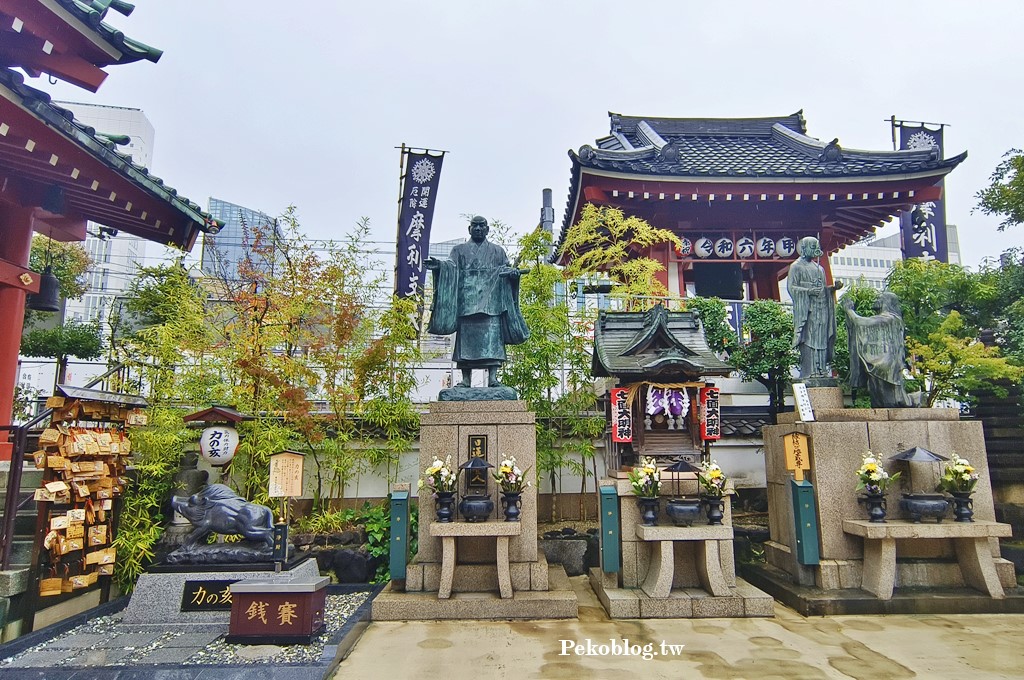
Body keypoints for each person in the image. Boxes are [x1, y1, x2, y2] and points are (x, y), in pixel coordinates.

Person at [425, 216, 529, 388]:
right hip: (467, 302)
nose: (479, 229)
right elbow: (450, 266)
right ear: (469, 229)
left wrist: (513, 276)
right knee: (466, 341)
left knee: (493, 340)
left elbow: (508, 270)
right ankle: (466, 379)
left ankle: (493, 378)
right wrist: (439, 266)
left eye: (482, 226)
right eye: (475, 226)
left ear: (487, 229)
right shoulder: (459, 250)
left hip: (492, 303)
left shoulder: (498, 251)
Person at [841, 291, 913, 408]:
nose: (875, 301)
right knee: (878, 399)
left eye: (879, 299)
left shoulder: (890, 318)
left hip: (886, 365)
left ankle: (909, 401)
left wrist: (849, 310)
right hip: (880, 364)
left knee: (889, 400)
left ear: (887, 302)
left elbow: (861, 322)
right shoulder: (889, 319)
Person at [787, 236, 840, 379]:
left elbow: (823, 289)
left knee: (822, 340)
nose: (815, 251)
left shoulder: (820, 269)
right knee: (809, 339)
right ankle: (810, 371)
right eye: (812, 247)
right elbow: (791, 288)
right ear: (803, 248)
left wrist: (832, 289)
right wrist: (808, 291)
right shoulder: (796, 266)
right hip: (807, 310)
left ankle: (822, 369)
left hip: (821, 309)